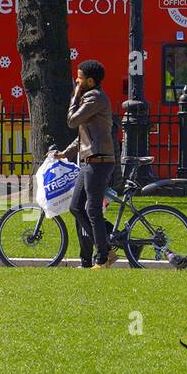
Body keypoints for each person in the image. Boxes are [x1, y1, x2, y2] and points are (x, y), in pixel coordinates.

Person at [58, 59, 118, 269]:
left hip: (99, 161)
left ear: (90, 81)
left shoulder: (94, 97)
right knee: (76, 207)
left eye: (80, 77)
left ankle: (103, 257)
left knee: (92, 209)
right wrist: (65, 153)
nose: (77, 80)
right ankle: (105, 247)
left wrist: (75, 95)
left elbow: (72, 121)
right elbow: (84, 133)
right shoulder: (91, 98)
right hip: (90, 160)